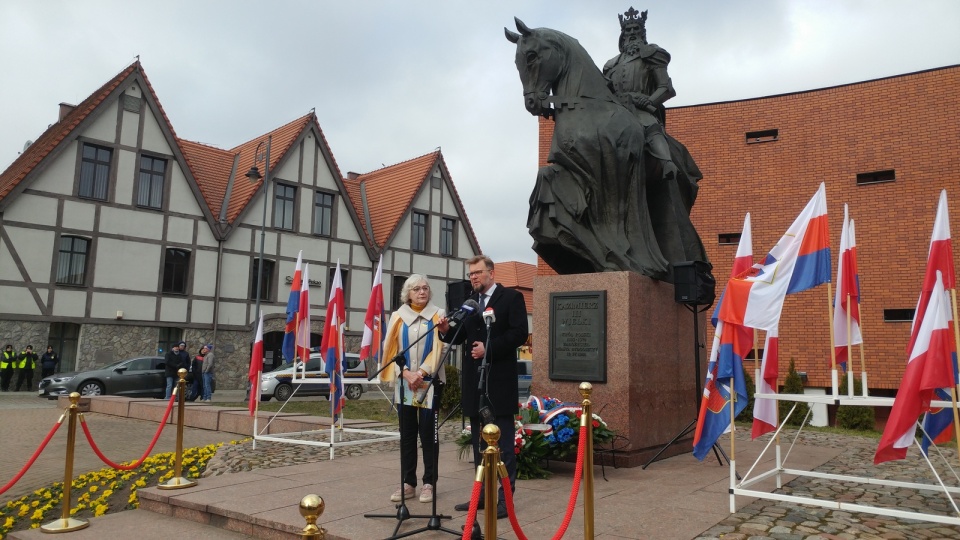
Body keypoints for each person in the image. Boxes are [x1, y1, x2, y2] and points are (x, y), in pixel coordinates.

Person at [440, 255, 528, 519]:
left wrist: (489, 348)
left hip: (499, 383)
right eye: (470, 274)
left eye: (477, 273)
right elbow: (460, 337)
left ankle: (505, 501)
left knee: (501, 445)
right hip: (474, 383)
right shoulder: (470, 303)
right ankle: (481, 497)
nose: (473, 278)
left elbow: (519, 333)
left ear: (491, 273)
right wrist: (446, 331)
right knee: (480, 445)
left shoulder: (511, 298)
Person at [380, 274, 447, 504]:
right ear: (408, 293)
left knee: (429, 435)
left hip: (430, 382)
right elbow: (391, 350)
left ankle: (429, 482)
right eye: (417, 288)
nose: (422, 292)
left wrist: (421, 373)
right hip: (405, 382)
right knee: (407, 435)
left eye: (426, 288)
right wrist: (406, 373)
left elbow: (440, 347)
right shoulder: (398, 317)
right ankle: (408, 482)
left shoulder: (438, 315)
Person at [601, 7, 678, 182]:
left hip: (641, 108)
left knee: (650, 126)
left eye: (636, 29)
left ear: (643, 32)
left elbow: (666, 87)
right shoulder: (611, 65)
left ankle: (666, 162)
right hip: (615, 109)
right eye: (628, 30)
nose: (632, 32)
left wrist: (648, 101)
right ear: (623, 34)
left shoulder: (651, 54)